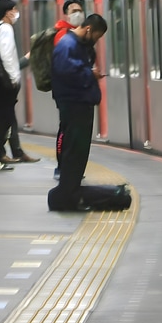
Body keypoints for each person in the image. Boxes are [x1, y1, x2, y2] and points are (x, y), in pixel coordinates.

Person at [48, 13, 108, 210]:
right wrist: (89, 74)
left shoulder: (78, 45)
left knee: (78, 152)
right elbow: (66, 72)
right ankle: (67, 196)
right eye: (97, 36)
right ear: (89, 29)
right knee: (74, 151)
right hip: (73, 105)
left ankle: (71, 194)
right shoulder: (67, 45)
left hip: (79, 104)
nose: (97, 41)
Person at [0, 0, 40, 170]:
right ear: (7, 12)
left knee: (8, 118)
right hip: (6, 83)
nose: (16, 12)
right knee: (4, 120)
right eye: (13, 9)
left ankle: (16, 151)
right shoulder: (6, 29)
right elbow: (6, 56)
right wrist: (13, 79)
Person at [52, 0, 88, 180]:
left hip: (76, 93)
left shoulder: (80, 34)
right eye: (73, 10)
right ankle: (61, 166)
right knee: (65, 129)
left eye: (80, 10)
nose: (77, 13)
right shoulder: (63, 35)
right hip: (65, 93)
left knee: (73, 131)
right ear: (66, 13)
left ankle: (71, 166)